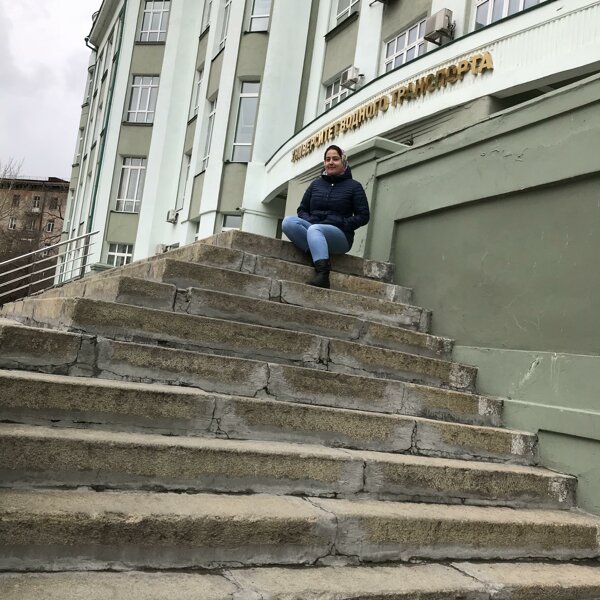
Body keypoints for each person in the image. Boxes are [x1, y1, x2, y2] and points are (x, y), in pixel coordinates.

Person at [282, 144, 370, 289]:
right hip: (314, 228)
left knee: (315, 229)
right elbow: (302, 209)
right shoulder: (315, 184)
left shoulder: (354, 186)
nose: (330, 162)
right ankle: (318, 252)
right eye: (327, 159)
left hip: (340, 235)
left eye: (335, 159)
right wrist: (309, 220)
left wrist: (343, 223)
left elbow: (364, 215)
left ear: (343, 162)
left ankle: (323, 275)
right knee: (288, 222)